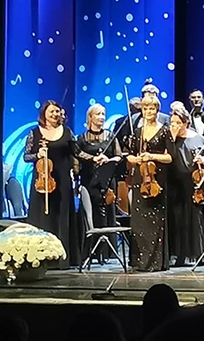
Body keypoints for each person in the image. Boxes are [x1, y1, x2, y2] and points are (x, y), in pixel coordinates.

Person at [23, 101, 80, 268]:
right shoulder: (35, 133)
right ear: (44, 114)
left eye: (57, 111)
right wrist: (38, 154)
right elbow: (26, 156)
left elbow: (77, 152)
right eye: (51, 111)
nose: (55, 114)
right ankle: (41, 259)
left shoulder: (67, 131)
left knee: (62, 216)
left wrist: (94, 158)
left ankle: (63, 259)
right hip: (42, 182)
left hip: (62, 181)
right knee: (43, 217)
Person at [125, 96, 174, 272]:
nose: (148, 112)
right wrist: (135, 159)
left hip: (156, 179)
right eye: (145, 109)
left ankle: (155, 262)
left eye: (151, 109)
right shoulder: (138, 132)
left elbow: (170, 157)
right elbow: (129, 155)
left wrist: (152, 156)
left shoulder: (165, 131)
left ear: (157, 110)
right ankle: (140, 261)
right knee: (139, 222)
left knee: (155, 222)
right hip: (140, 179)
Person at [75, 103, 123, 261]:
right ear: (90, 117)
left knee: (108, 212)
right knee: (91, 213)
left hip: (107, 180)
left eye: (103, 114)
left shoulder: (111, 136)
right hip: (89, 179)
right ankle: (91, 250)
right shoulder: (81, 139)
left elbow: (119, 156)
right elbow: (77, 158)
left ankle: (107, 252)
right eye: (98, 114)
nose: (101, 117)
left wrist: (108, 160)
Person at [167, 107, 204, 266]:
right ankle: (177, 255)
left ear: (186, 123)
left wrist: (203, 160)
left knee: (194, 218)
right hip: (174, 182)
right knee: (177, 219)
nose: (174, 126)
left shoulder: (197, 138)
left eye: (178, 123)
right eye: (172, 123)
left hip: (192, 182)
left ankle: (197, 254)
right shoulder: (169, 138)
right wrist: (172, 138)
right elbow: (168, 156)